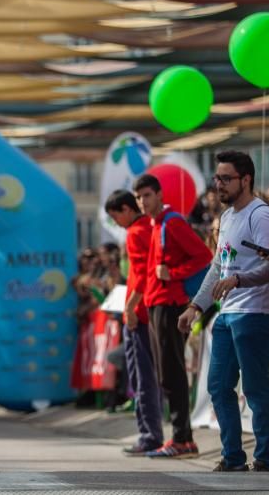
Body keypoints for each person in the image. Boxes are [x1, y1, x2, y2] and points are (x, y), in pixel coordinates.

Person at [177, 150, 269, 472]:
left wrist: (240, 279)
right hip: (226, 315)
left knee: (254, 387)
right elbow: (217, 268)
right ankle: (233, 457)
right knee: (218, 387)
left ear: (246, 179)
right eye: (217, 179)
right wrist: (196, 305)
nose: (218, 185)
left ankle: (266, 458)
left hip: (255, 312)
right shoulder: (226, 217)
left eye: (226, 179)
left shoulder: (261, 215)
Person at [132, 174, 213, 459]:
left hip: (170, 305)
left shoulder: (172, 221)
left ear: (159, 194)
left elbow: (204, 257)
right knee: (166, 374)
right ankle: (180, 438)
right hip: (156, 305)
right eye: (139, 197)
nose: (143, 202)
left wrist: (173, 274)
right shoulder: (155, 224)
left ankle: (183, 440)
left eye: (147, 196)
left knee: (173, 373)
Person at [104, 190, 163, 456]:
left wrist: (129, 308)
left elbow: (140, 275)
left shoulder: (137, 232)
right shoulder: (148, 228)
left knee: (142, 377)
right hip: (147, 310)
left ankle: (149, 435)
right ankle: (150, 433)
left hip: (139, 314)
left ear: (127, 209)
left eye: (116, 216)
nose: (116, 223)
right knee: (144, 376)